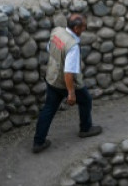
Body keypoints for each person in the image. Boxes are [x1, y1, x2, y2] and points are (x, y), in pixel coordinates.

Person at [32, 13, 103, 153]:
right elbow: (69, 72)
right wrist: (71, 93)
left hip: (51, 77)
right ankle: (86, 128)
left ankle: (38, 142)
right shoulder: (73, 46)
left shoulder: (57, 32)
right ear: (76, 28)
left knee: (49, 109)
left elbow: (49, 49)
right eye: (84, 26)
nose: (85, 29)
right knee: (86, 100)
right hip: (65, 83)